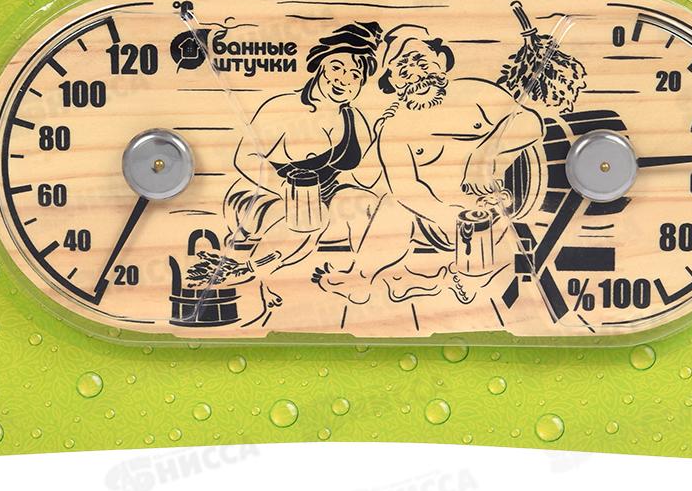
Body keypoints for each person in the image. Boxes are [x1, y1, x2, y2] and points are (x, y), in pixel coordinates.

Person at [315, 24, 544, 305]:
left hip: (503, 206)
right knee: (392, 206)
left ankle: (413, 279)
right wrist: (457, 219)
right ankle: (364, 277)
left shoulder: (474, 92)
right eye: (402, 70)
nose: (415, 73)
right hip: (443, 223)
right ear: (392, 82)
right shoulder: (394, 129)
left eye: (421, 61)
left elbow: (530, 122)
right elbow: (406, 189)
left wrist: (484, 157)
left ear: (441, 61)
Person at [202, 22, 383, 317]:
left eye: (355, 75)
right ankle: (250, 274)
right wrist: (284, 188)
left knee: (367, 204)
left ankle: (357, 280)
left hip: (321, 197)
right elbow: (246, 157)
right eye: (336, 67)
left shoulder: (355, 119)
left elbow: (367, 175)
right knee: (306, 218)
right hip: (260, 193)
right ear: (319, 65)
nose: (344, 80)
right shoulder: (284, 107)